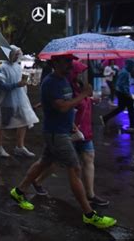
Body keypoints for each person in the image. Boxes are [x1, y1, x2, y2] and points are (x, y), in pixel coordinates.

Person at [9, 54, 116, 229]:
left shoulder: (64, 80)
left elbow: (66, 107)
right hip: (56, 134)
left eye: (71, 61)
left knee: (43, 162)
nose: (70, 64)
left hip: (62, 131)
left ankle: (19, 191)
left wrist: (72, 124)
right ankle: (89, 214)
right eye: (66, 61)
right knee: (74, 168)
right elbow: (62, 106)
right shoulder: (51, 82)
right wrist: (83, 95)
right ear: (55, 63)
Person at [33, 60, 109, 206]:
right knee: (56, 162)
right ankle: (33, 183)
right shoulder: (64, 86)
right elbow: (62, 105)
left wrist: (90, 98)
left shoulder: (80, 86)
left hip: (84, 130)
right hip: (68, 131)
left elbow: (80, 101)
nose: (83, 74)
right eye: (80, 72)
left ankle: (90, 195)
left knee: (88, 158)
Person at [0, 45, 38, 158]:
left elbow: (19, 82)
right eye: (15, 54)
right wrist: (17, 85)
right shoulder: (3, 68)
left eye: (18, 54)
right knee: (3, 125)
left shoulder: (17, 67)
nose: (17, 56)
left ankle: (20, 147)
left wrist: (23, 83)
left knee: (25, 121)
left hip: (19, 101)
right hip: (7, 102)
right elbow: (0, 85)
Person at [100, 59, 134, 132]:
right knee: (130, 107)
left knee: (121, 108)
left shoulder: (125, 71)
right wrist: (128, 94)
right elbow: (122, 85)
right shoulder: (125, 73)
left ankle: (105, 118)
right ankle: (132, 125)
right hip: (123, 93)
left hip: (121, 92)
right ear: (130, 66)